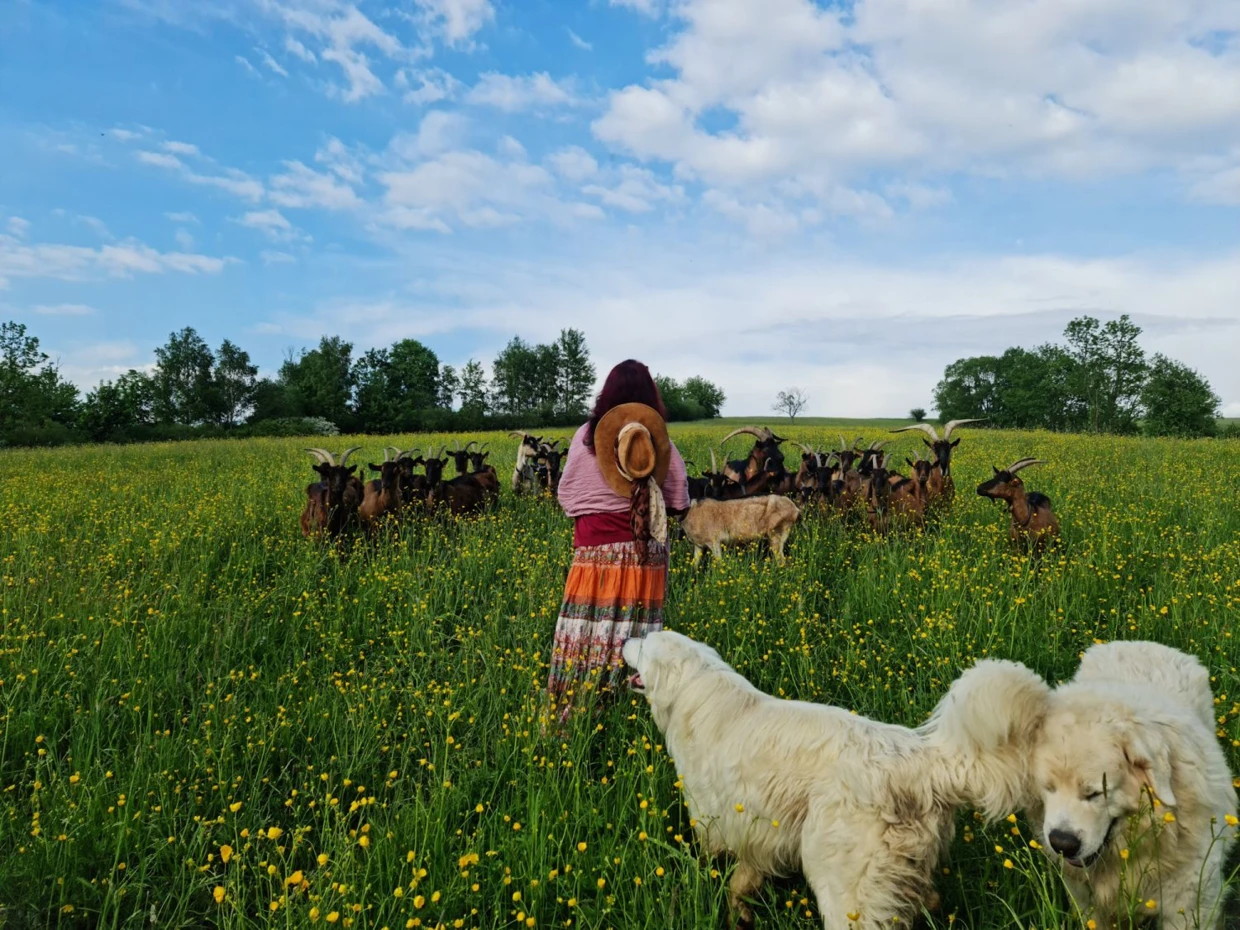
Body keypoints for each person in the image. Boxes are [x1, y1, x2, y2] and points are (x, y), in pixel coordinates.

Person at [545, 359, 689, 725]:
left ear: (605, 394)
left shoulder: (586, 437)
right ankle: (627, 713)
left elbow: (567, 497)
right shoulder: (657, 440)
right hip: (645, 555)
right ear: (651, 396)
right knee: (636, 634)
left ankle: (574, 713)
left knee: (585, 628)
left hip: (593, 554)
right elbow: (678, 503)